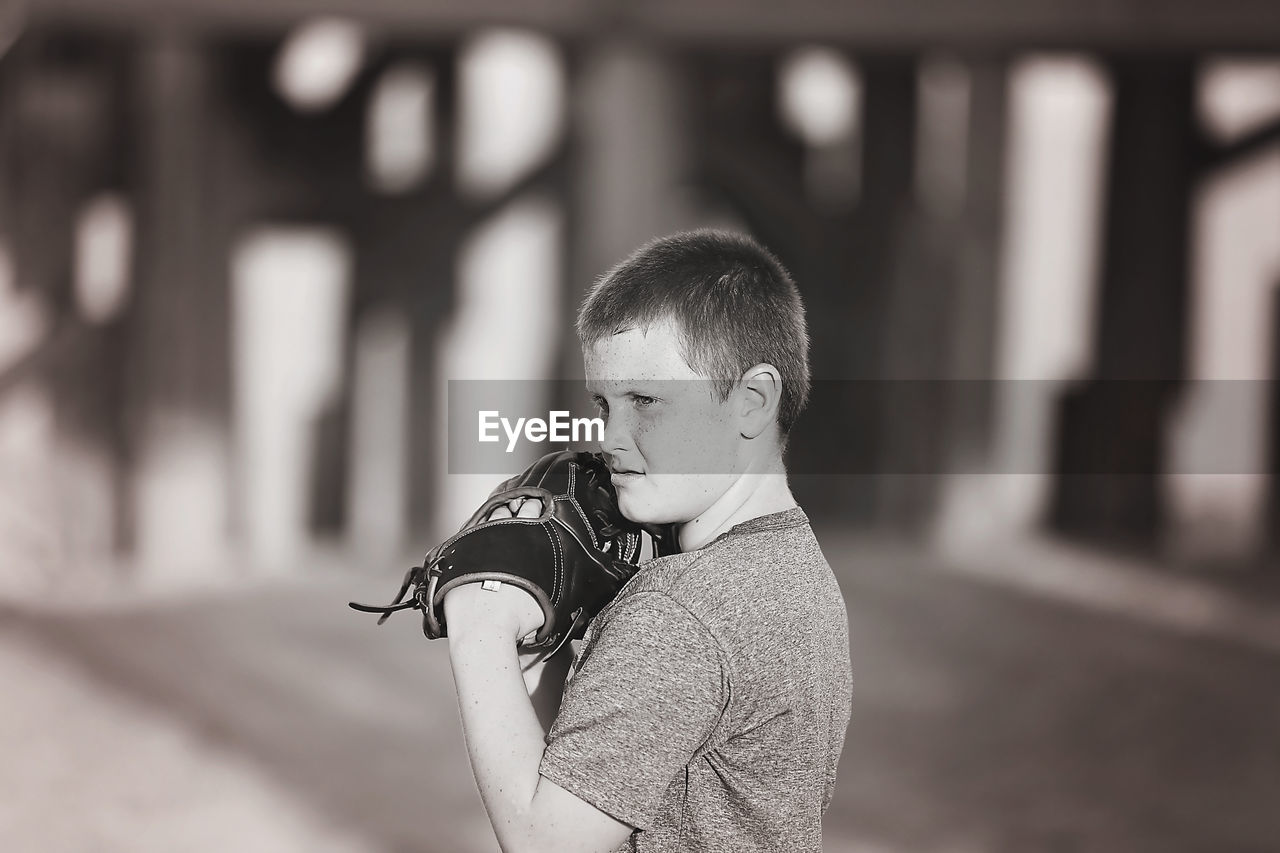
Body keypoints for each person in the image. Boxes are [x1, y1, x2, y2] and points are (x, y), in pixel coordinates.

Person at [441, 229, 853, 852]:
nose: (611, 435)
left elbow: (545, 843)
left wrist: (479, 623)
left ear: (752, 401)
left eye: (646, 400)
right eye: (604, 403)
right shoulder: (795, 566)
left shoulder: (681, 609)